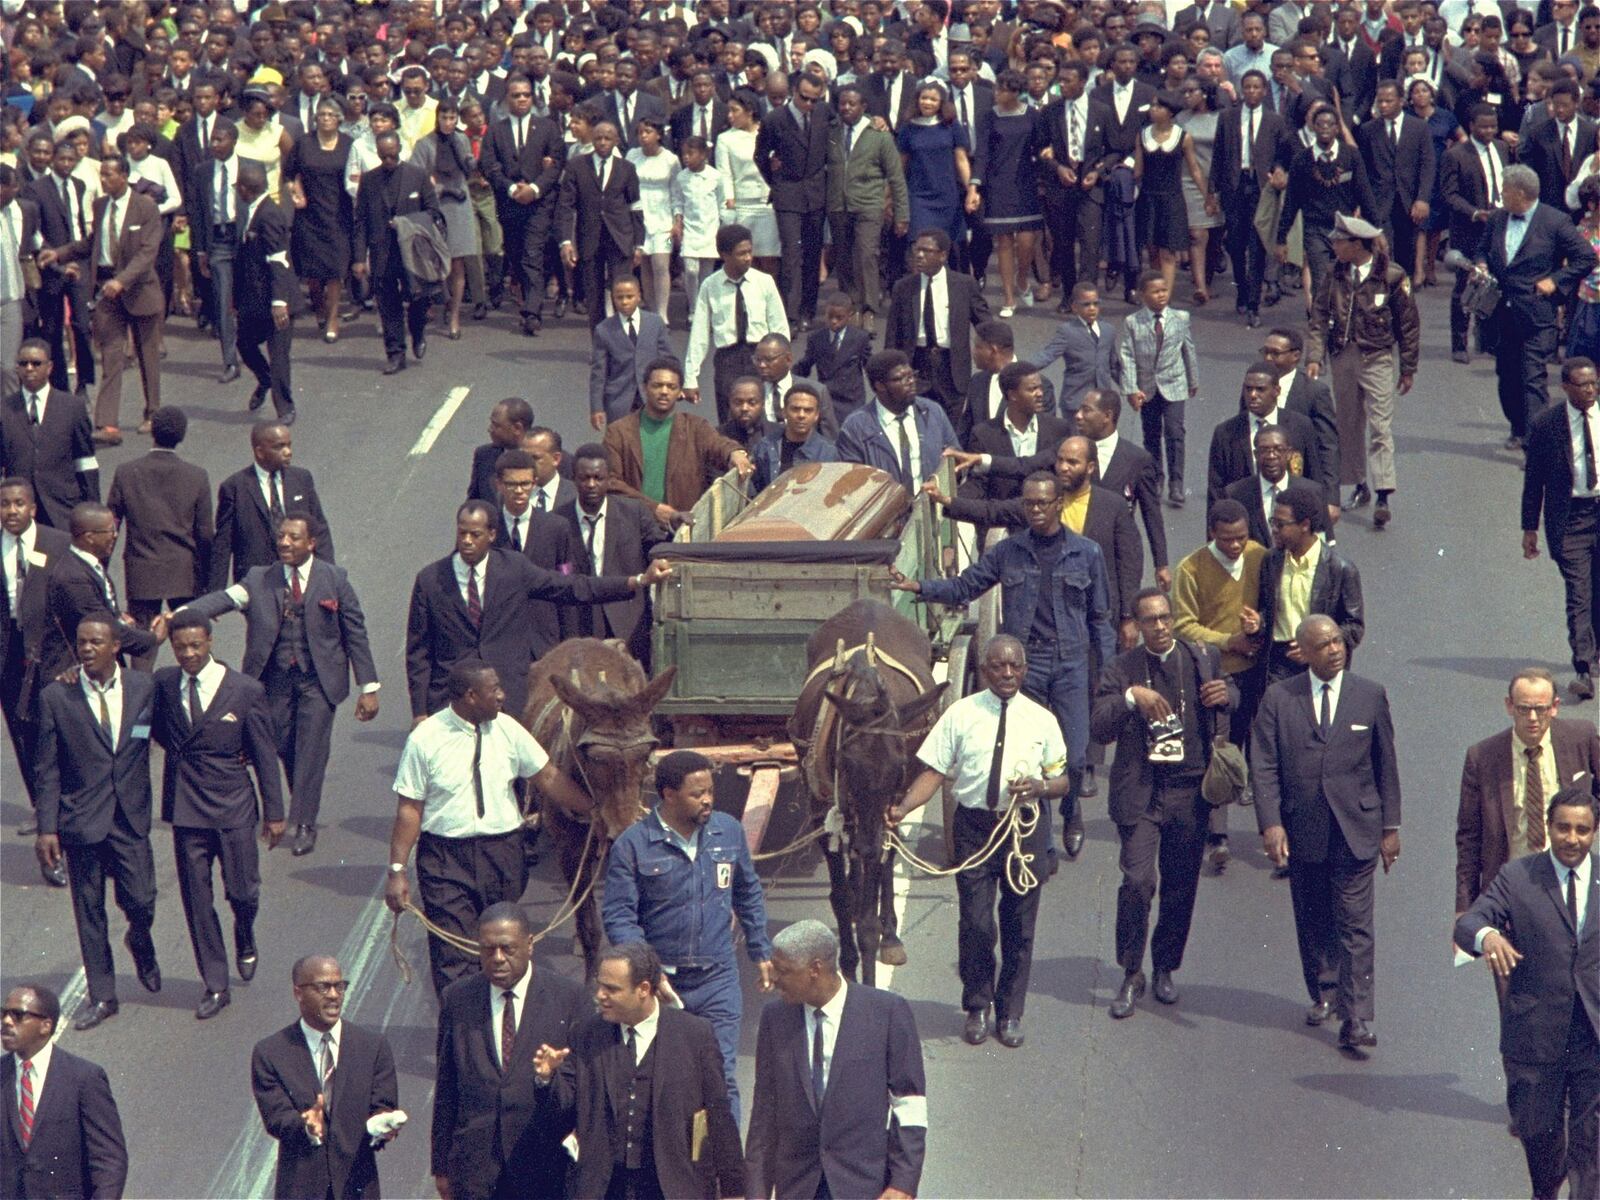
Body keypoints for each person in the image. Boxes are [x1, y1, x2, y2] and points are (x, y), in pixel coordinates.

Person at [895, 471, 1113, 852]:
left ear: (1058, 504)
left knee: (1075, 757)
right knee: (1028, 752)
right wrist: (919, 587)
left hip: (1070, 665)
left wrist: (1108, 672)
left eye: (1043, 503)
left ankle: (1071, 807)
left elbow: (1100, 618)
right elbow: (966, 586)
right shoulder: (1007, 552)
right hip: (1024, 667)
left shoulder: (1087, 553)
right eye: (1029, 503)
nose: (1036, 510)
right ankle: (1040, 835)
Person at [890, 634, 1066, 1045]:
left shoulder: (1043, 720)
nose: (1007, 674)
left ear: (1023, 669)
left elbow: (1063, 779)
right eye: (998, 667)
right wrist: (902, 809)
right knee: (976, 924)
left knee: (1020, 927)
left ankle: (1009, 1014)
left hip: (1024, 830)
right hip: (973, 829)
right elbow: (933, 772)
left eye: (1015, 666)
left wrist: (1039, 786)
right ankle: (976, 1006)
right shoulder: (960, 714)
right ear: (985, 670)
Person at [180, 511, 379, 858]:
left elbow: (355, 633)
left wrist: (369, 686)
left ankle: (303, 822)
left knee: (311, 751)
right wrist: (182, 613)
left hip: (319, 681)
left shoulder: (335, 579)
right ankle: (303, 796)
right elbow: (224, 600)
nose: (284, 543)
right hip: (273, 681)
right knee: (282, 744)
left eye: (293, 538)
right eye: (281, 536)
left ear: (311, 543)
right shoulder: (260, 579)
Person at [385, 661, 592, 995]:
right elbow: (409, 810)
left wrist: (596, 811)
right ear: (470, 696)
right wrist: (397, 871)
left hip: (504, 856)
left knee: (503, 950)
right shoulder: (425, 739)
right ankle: (460, 1038)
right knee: (455, 956)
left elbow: (548, 776)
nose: (502, 695)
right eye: (493, 689)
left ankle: (500, 1029)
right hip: (445, 860)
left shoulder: (509, 729)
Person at [1252, 613, 1401, 1053]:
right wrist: (1272, 822)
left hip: (1358, 827)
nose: (1335, 650)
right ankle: (1324, 990)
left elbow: (1386, 765)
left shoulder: (1369, 696)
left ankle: (1356, 1017)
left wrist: (1390, 828)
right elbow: (1263, 764)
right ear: (1304, 652)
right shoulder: (1280, 699)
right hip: (1305, 828)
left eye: (1338, 641)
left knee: (1356, 924)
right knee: (1314, 916)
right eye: (1324, 645)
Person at [603, 749, 772, 1119]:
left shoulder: (728, 832)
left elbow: (747, 891)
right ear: (668, 794)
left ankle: (725, 1168)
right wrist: (649, 973)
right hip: (661, 988)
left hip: (718, 980)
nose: (708, 799)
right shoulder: (632, 846)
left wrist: (761, 950)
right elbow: (619, 916)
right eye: (698, 793)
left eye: (710, 790)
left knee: (721, 1075)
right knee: (658, 1077)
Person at [1093, 588, 1236, 1018]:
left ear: (1172, 619)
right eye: (1149, 620)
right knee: (1137, 882)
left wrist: (1228, 696)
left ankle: (1166, 967)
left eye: (1164, 618)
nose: (1158, 626)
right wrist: (1131, 698)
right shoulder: (1122, 668)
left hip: (1189, 791)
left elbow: (1234, 695)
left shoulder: (1200, 658)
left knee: (1180, 886)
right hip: (1141, 792)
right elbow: (1099, 727)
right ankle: (1131, 971)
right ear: (1136, 626)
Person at [1455, 785, 1597, 1200]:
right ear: (1549, 829)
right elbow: (1468, 923)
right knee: (1539, 1132)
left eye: (1583, 830)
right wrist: (1489, 936)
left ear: (1594, 832)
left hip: (1592, 1035)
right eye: (1564, 828)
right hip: (1536, 1036)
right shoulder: (1518, 878)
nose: (1572, 839)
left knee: (1591, 1150)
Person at [404, 500, 650, 725]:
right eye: (462, 533)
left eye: (475, 534)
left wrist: (635, 581)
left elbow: (572, 587)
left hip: (506, 697)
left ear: (491, 535)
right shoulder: (430, 580)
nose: (467, 541)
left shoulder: (514, 569)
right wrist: (420, 712)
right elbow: (418, 652)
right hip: (451, 701)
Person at [534, 942, 745, 1200]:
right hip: (605, 1188)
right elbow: (563, 1111)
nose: (600, 995)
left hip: (669, 1187)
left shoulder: (694, 1035)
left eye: (611, 989)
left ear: (643, 989)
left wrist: (734, 1190)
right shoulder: (587, 1034)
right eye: (600, 985)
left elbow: (719, 1115)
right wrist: (547, 1078)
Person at [152, 612, 284, 1018]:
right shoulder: (163, 685)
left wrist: (274, 813)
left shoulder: (244, 690)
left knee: (243, 890)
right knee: (196, 899)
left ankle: (244, 934)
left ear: (210, 641)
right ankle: (215, 982)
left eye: (196, 645)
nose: (189, 654)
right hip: (187, 806)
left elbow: (263, 753)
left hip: (233, 806)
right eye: (180, 647)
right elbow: (155, 727)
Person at [32, 614, 159, 1032]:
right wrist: (47, 828)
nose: (86, 649)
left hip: (130, 816)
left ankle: (140, 938)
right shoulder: (57, 696)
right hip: (81, 820)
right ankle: (103, 995)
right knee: (89, 911)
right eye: (82, 642)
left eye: (95, 642)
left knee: (141, 899)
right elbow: (47, 769)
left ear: (116, 646)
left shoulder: (144, 688)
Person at [744, 919, 927, 1200]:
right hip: (798, 1188)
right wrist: (756, 1192)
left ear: (815, 969)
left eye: (783, 971)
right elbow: (764, 1116)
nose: (774, 978)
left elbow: (909, 1103)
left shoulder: (887, 1013)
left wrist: (903, 1182)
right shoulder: (774, 1019)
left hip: (863, 1186)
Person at [431, 902, 590, 1200]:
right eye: (488, 950)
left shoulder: (569, 999)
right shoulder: (457, 999)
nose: (498, 959)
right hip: (475, 1171)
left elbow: (580, 1092)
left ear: (530, 945)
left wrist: (547, 1079)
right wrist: (441, 1166)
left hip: (543, 1168)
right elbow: (447, 1088)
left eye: (507, 949)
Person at [251, 954, 402, 1200]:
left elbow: (382, 1106)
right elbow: (276, 1116)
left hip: (358, 1188)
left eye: (339, 986)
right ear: (298, 993)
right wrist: (306, 1126)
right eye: (323, 987)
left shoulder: (373, 1047)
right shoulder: (271, 1053)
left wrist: (380, 1126)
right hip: (302, 1190)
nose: (334, 995)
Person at [1457, 668, 1600, 926]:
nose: (1533, 718)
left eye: (1541, 709)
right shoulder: (1483, 757)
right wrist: (1465, 909)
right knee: (1513, 963)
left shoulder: (1582, 737)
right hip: (1515, 883)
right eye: (1524, 709)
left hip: (1571, 878)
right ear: (1509, 706)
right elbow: (1469, 837)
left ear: (1555, 707)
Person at [37, 152, 162, 446]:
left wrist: (123, 280)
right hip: (107, 289)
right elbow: (92, 243)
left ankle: (153, 412)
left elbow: (147, 252)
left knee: (148, 356)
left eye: (109, 174)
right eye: (102, 174)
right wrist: (60, 253)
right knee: (111, 355)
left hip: (139, 289)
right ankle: (107, 423)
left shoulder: (145, 207)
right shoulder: (101, 205)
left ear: (124, 176)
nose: (103, 180)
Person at [1305, 213, 1421, 527]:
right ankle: (1359, 485)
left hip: (1377, 357)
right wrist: (1314, 356)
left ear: (1357, 244)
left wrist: (1408, 367)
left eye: (1339, 241)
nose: (1334, 246)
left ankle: (1383, 492)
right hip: (1343, 357)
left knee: (1380, 426)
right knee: (1349, 424)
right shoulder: (1334, 274)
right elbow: (1319, 316)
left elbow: (1408, 325)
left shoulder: (1392, 276)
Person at [1477, 163, 1598, 449]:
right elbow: (1482, 248)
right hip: (1502, 312)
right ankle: (1518, 428)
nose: (1501, 195)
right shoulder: (1497, 219)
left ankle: (1537, 444)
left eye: (1504, 191)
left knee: (1533, 378)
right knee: (1507, 377)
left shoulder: (1554, 222)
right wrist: (1481, 264)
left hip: (1536, 313)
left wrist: (1555, 281)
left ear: (1520, 193)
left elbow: (1585, 258)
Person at [105, 406, 212, 670]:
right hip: (184, 574)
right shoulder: (196, 477)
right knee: (192, 645)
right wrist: (206, 583)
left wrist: (102, 573)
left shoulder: (126, 472)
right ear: (182, 436)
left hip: (142, 572)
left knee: (143, 649)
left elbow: (110, 527)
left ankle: (141, 706)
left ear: (152, 431)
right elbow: (205, 535)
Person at [0, 983, 128, 1198]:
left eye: (18, 1015)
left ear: (45, 1026)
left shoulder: (83, 1078)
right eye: (4, 1014)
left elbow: (109, 1159)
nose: (6, 1022)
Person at [0, 478, 71, 858]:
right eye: (5, 505)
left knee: (53, 732)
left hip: (50, 655)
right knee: (21, 732)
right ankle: (41, 806)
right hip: (8, 657)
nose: (12, 511)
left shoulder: (56, 544)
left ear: (33, 508)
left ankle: (63, 808)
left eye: (19, 504)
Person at [1523, 356, 1600, 699]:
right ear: (1565, 387)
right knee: (1578, 593)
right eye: (1583, 384)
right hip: (1570, 520)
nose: (1590, 390)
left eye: (1594, 382)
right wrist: (1529, 528)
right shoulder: (1547, 425)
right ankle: (1583, 667)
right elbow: (1533, 481)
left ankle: (1595, 649)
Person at [602, 357, 754, 527]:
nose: (664, 391)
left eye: (671, 387)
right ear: (645, 388)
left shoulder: (695, 427)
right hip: (633, 526)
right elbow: (611, 482)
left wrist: (735, 453)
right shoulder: (618, 432)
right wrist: (653, 508)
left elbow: (718, 445)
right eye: (657, 385)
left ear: (680, 392)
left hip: (682, 527)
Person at [562, 445, 672, 666]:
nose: (591, 484)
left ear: (609, 480)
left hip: (627, 621)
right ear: (574, 479)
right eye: (584, 478)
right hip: (579, 624)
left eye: (598, 478)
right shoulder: (559, 520)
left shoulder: (634, 512)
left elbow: (658, 548)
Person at [38, 503, 160, 684]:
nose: (115, 535)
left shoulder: (87, 565)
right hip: (72, 678)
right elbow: (103, 628)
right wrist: (152, 639)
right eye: (110, 531)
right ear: (90, 537)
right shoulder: (73, 578)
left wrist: (118, 617)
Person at [352, 130, 442, 375]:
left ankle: (418, 331)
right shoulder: (370, 180)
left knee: (418, 299)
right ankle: (395, 353)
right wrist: (359, 257)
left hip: (413, 253)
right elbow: (360, 221)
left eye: (392, 156)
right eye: (384, 157)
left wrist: (407, 224)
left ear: (400, 149)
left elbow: (434, 212)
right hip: (383, 252)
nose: (388, 161)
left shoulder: (418, 176)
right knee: (388, 305)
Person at [480, 73, 563, 337]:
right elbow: (490, 165)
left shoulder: (548, 127)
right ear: (507, 98)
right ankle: (525, 298)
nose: (522, 99)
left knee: (532, 254)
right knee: (516, 254)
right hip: (510, 202)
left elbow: (557, 164)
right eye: (516, 95)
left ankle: (532, 312)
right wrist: (512, 187)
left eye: (526, 94)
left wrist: (535, 189)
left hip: (539, 203)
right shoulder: (497, 130)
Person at [682, 226, 790, 421]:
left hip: (760, 357)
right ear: (724, 255)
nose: (748, 257)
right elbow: (699, 334)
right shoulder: (710, 285)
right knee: (729, 418)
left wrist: (782, 368)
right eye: (741, 253)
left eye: (750, 251)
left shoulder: (764, 282)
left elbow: (779, 326)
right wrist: (691, 377)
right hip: (727, 360)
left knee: (764, 417)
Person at [210, 421, 335, 589]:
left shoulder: (302, 479)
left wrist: (329, 576)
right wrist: (215, 591)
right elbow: (223, 544)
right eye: (279, 447)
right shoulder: (235, 487)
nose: (288, 452)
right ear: (260, 452)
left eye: (289, 445)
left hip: (301, 577)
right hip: (259, 584)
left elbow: (319, 529)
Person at [886, 228, 992, 423]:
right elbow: (893, 333)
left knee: (952, 427)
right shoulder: (903, 287)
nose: (919, 255)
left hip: (951, 367)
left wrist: (997, 354)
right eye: (917, 250)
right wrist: (889, 371)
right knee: (916, 424)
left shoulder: (964, 285)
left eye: (926, 251)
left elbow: (985, 324)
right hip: (917, 365)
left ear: (943, 255)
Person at [1276, 104, 1379, 302]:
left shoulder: (1351, 156)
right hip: (1315, 229)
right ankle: (1321, 325)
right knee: (1321, 280)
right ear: (1313, 127)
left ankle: (1344, 322)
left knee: (1347, 278)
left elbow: (1364, 194)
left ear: (1337, 129)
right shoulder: (1301, 160)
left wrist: (1376, 230)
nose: (1325, 128)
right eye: (1320, 124)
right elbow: (1291, 202)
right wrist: (1281, 239)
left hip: (1345, 228)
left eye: (1330, 124)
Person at [755, 71, 831, 327]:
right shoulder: (775, 119)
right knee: (791, 254)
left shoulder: (823, 113)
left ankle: (808, 311)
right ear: (794, 92)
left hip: (815, 194)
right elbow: (760, 155)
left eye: (814, 100)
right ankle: (789, 314)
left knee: (812, 254)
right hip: (787, 193)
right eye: (804, 98)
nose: (809, 104)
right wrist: (774, 178)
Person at [1118, 269, 1200, 508]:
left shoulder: (1181, 318)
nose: (1161, 295)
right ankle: (1156, 479)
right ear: (1143, 295)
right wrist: (1131, 389)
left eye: (1164, 290)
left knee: (1175, 432)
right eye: (1155, 292)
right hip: (1147, 388)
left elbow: (1188, 350)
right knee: (1151, 435)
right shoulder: (1133, 322)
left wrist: (1193, 380)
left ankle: (1176, 483)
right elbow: (1127, 356)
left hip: (1175, 384)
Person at [828, 84, 908, 324]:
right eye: (843, 103)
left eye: (852, 104)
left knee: (866, 255)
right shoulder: (831, 131)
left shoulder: (879, 134)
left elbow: (895, 176)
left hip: (869, 205)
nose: (846, 108)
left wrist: (902, 214)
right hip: (838, 205)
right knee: (843, 259)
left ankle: (869, 309)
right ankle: (849, 309)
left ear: (863, 107)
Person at [0, 337, 99, 531]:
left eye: (36, 363)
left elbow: (85, 462)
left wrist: (92, 511)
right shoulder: (4, 409)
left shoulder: (72, 407)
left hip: (62, 510)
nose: (29, 368)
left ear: (49, 367)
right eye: (23, 363)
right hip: (21, 514)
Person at [1038, 60, 1115, 308]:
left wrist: (1097, 172)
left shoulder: (1101, 111)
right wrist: (1057, 168)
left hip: (1089, 186)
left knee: (1090, 245)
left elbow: (1114, 150)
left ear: (1082, 82)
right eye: (1059, 80)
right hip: (1061, 186)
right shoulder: (1051, 112)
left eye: (1067, 81)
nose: (1061, 85)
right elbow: (1039, 148)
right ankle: (1069, 294)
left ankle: (1087, 297)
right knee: (1063, 243)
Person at [558, 121, 645, 331]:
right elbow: (566, 206)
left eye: (608, 138)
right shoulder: (577, 166)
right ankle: (599, 343)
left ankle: (622, 339)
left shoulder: (627, 168)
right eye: (598, 138)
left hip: (620, 238)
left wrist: (639, 244)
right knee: (594, 295)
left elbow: (635, 207)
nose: (603, 142)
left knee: (622, 292)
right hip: (590, 238)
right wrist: (566, 241)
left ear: (616, 141)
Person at [836, 349, 962, 492]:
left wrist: (944, 477)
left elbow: (956, 458)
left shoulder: (932, 412)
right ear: (880, 386)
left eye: (911, 376)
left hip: (932, 508)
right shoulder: (856, 427)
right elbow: (851, 483)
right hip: (885, 510)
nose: (911, 382)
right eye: (899, 379)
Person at [233, 161, 299, 425]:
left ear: (247, 189)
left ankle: (285, 408)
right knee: (245, 344)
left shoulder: (269, 215)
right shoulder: (252, 210)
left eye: (239, 186)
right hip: (254, 299)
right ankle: (265, 378)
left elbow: (278, 259)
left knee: (279, 354)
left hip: (275, 299)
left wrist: (279, 301)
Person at [282, 99, 353, 343]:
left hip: (338, 215)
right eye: (321, 114)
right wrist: (293, 190)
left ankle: (333, 318)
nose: (325, 118)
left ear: (339, 119)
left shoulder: (348, 144)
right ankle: (319, 308)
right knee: (312, 272)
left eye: (331, 114)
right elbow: (288, 173)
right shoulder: (304, 143)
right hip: (309, 215)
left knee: (335, 270)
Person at [1205, 362, 1322, 507]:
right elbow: (1216, 488)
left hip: (1290, 516)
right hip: (1245, 516)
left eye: (1260, 389)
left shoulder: (1300, 426)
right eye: (1248, 389)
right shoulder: (1226, 432)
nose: (1253, 395)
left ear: (1276, 391)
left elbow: (1313, 477)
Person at [975, 70, 1043, 317]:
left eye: (1002, 90)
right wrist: (976, 183)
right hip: (998, 183)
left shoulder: (1032, 115)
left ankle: (1022, 277)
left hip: (1025, 182)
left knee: (1026, 240)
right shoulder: (988, 117)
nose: (997, 94)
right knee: (1004, 241)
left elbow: (1041, 143)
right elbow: (982, 152)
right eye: (996, 89)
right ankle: (1008, 298)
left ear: (1015, 92)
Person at [1134, 90, 1215, 299]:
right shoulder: (1142, 135)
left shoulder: (1182, 137)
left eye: (1159, 107)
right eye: (1152, 106)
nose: (1153, 110)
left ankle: (1165, 296)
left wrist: (1207, 195)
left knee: (1168, 251)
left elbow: (1194, 169)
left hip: (1172, 198)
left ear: (1170, 112)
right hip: (1149, 197)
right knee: (1152, 250)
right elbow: (1138, 170)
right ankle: (1154, 291)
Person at [1355, 80, 1437, 280]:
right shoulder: (1367, 130)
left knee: (1405, 253)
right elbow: (1362, 170)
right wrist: (1360, 203)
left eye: (1388, 101)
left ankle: (1403, 297)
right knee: (1381, 252)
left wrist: (1423, 198)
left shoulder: (1418, 128)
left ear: (1401, 101)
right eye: (1380, 101)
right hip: (1378, 201)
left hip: (1408, 201)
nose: (1383, 105)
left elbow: (1428, 164)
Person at [186, 119, 244, 386]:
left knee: (249, 300)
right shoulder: (202, 171)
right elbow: (197, 213)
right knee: (222, 301)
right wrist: (200, 250)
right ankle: (229, 360)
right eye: (213, 140)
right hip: (217, 240)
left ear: (234, 140)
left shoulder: (249, 167)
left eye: (221, 140)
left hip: (243, 238)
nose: (215, 145)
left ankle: (250, 349)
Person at [715, 89, 782, 274]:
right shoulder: (725, 139)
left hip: (767, 204)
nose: (730, 116)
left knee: (769, 259)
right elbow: (724, 174)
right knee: (746, 261)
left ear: (749, 110)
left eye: (734, 110)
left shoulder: (767, 131)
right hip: (742, 205)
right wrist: (730, 203)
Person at [795, 294, 873, 422]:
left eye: (839, 317)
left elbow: (870, 366)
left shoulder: (860, 338)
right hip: (827, 397)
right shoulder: (816, 338)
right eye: (829, 316)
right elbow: (805, 365)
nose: (834, 321)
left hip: (852, 399)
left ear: (850, 315)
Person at [750, 383, 839, 493]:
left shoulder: (828, 453)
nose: (801, 415)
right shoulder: (766, 446)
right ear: (784, 412)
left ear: (816, 415)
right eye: (795, 409)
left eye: (808, 410)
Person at [466, 398, 534, 506]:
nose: (490, 429)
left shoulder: (546, 461)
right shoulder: (484, 455)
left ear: (517, 428)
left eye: (496, 425)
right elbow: (474, 502)